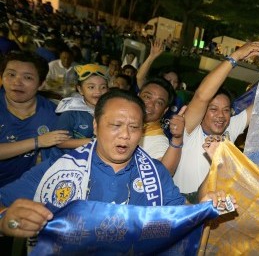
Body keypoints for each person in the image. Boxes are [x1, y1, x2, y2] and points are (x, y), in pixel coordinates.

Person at [0, 89, 233, 240]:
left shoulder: (155, 173)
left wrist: (203, 206)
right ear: (95, 126)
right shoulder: (58, 169)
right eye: (115, 125)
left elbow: (180, 212)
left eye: (133, 128)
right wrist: (6, 220)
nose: (125, 136)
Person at [173, 41, 259, 203]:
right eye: (213, 109)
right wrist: (236, 56)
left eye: (226, 110)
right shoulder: (188, 130)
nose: (221, 116)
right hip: (182, 207)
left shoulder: (230, 128)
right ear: (202, 112)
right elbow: (202, 96)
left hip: (214, 208)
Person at [0, 51, 70, 188]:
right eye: (11, 74)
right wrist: (38, 142)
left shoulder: (53, 114)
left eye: (27, 77)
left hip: (26, 188)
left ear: (41, 84)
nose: (17, 82)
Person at [48, 64, 109, 160]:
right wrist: (96, 142)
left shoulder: (109, 112)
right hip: (65, 162)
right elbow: (60, 142)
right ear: (80, 89)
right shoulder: (71, 111)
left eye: (103, 87)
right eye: (91, 87)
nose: (98, 92)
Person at [138, 78, 185, 174]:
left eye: (159, 103)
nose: (150, 105)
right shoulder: (116, 120)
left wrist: (177, 138)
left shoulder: (159, 142)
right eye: (147, 97)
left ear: (165, 110)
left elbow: (162, 174)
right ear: (137, 96)